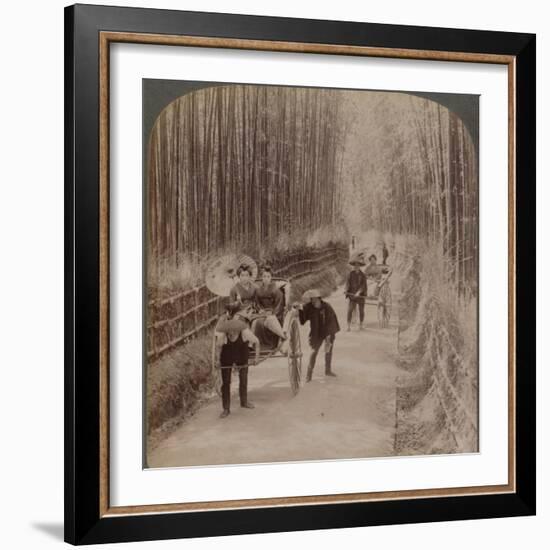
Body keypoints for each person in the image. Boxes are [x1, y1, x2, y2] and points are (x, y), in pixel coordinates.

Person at [215, 302, 260, 418]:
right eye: (229, 332)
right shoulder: (223, 335)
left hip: (242, 354)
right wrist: (217, 360)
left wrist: (256, 358)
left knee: (243, 378)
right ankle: (226, 408)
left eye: (234, 332)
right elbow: (219, 348)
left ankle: (244, 401)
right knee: (226, 382)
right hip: (227, 356)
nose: (232, 334)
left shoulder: (245, 332)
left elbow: (256, 342)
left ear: (238, 330)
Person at [295, 289, 340, 382]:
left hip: (328, 332)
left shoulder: (327, 307)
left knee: (328, 351)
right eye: (311, 299)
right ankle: (309, 374)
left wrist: (329, 335)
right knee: (314, 352)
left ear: (319, 299)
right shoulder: (309, 307)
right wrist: (299, 310)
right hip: (316, 333)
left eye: (314, 300)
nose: (312, 302)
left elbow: (332, 321)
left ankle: (328, 370)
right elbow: (302, 321)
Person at [254, 266, 287, 347]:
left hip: (274, 312)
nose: (266, 278)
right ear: (262, 277)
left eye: (268, 276)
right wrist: (260, 310)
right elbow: (257, 303)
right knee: (257, 322)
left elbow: (279, 303)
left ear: (271, 277)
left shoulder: (276, 289)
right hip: (262, 313)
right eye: (264, 276)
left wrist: (273, 313)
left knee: (270, 320)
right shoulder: (258, 290)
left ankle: (272, 343)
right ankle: (260, 345)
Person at [345, 258, 367, 331]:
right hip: (352, 296)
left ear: (360, 266)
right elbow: (347, 283)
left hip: (360, 296)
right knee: (350, 309)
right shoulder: (350, 274)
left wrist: (359, 292)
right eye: (355, 265)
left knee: (361, 310)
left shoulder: (362, 275)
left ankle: (361, 324)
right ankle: (348, 325)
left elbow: (363, 286)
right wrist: (346, 290)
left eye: (357, 265)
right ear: (353, 266)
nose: (356, 267)